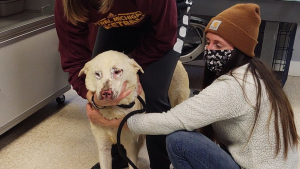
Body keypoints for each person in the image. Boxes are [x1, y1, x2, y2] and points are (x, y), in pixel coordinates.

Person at [92, 3, 300, 169]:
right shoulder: (257, 75)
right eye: (208, 42)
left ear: (239, 50)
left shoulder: (233, 88)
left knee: (179, 140)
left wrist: (115, 123)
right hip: (262, 162)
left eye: (218, 45)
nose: (209, 50)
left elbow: (172, 120)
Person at [54, 0, 193, 168]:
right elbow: (74, 57)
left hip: (166, 19)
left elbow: (164, 37)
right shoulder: (66, 3)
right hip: (120, 15)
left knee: (154, 91)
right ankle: (118, 158)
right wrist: (91, 95)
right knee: (104, 75)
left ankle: (161, 164)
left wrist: (130, 69)